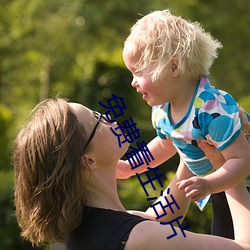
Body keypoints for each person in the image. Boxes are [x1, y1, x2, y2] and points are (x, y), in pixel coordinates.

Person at [13, 98, 250, 250]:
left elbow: (164, 217)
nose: (109, 119)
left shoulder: (80, 231)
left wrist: (191, 134)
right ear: (88, 160)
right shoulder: (138, 238)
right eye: (98, 120)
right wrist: (226, 165)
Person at [119, 9, 250, 239]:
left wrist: (209, 184)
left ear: (173, 67)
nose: (132, 83)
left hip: (239, 186)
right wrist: (130, 167)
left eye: (138, 72)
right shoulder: (162, 110)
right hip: (220, 189)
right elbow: (165, 145)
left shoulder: (211, 109)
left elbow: (242, 160)